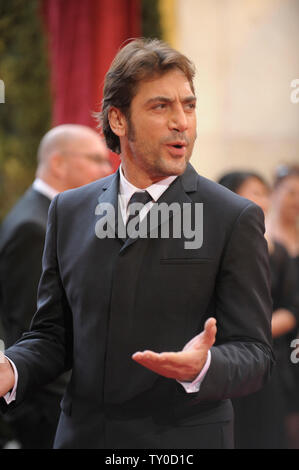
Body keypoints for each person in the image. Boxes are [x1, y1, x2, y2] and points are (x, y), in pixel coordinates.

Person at [0, 39, 273, 449]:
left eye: (189, 106)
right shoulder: (69, 211)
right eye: (160, 106)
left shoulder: (232, 217)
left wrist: (206, 366)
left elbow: (255, 353)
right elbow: (54, 336)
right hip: (81, 437)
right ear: (118, 120)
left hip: (182, 442)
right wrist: (11, 367)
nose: (181, 121)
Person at [0, 124, 111, 448]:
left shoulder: (44, 215)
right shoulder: (33, 226)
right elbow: (35, 330)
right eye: (96, 159)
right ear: (59, 163)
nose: (107, 170)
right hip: (49, 412)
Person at [218, 170, 299, 448]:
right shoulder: (213, 247)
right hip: (224, 356)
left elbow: (291, 306)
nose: (262, 200)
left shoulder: (277, 252)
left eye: (264, 193)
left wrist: (254, 330)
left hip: (269, 356)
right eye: (254, 192)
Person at [267, 164, 299, 448]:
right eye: (291, 192)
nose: (296, 200)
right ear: (274, 193)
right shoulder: (263, 240)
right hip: (271, 342)